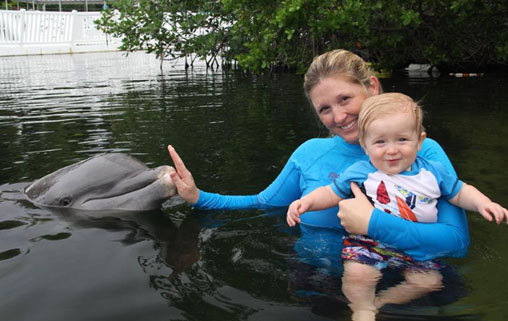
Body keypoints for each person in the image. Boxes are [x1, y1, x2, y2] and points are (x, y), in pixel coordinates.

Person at [166, 49, 470, 267]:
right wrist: (198, 197)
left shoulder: (420, 154)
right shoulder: (309, 153)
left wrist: (373, 223)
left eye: (345, 99)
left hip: (409, 284)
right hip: (319, 285)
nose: (339, 116)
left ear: (372, 87)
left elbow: (456, 243)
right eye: (324, 109)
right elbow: (262, 204)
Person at [286, 92, 508, 320]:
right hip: (369, 242)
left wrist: (484, 203)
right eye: (380, 142)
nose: (391, 150)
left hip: (414, 248)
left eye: (402, 140)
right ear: (365, 145)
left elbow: (460, 192)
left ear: (419, 141)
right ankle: (362, 309)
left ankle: (381, 302)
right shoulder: (363, 171)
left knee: (430, 281)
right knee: (358, 275)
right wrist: (306, 202)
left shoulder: (432, 171)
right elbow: (331, 192)